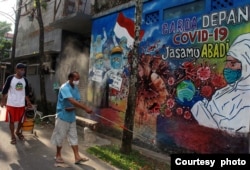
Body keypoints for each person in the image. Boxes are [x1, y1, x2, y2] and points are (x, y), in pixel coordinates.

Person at [191, 33, 250, 135]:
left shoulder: (246, 101)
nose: (226, 68)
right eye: (226, 63)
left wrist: (197, 106)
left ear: (246, 65)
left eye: (232, 64)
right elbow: (212, 110)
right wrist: (200, 101)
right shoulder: (226, 91)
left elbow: (222, 134)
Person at [50, 71, 93, 164]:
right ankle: (58, 155)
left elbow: (77, 100)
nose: (78, 81)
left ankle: (77, 157)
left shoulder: (75, 88)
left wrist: (75, 107)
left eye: (78, 79)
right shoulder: (64, 87)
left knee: (74, 136)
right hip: (62, 116)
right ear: (70, 78)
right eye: (76, 79)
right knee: (60, 137)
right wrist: (85, 108)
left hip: (71, 116)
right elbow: (71, 100)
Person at [0, 63, 32, 144]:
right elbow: (5, 90)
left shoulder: (25, 80)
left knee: (21, 121)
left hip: (21, 104)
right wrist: (3, 101)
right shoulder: (10, 78)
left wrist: (28, 101)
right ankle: (12, 136)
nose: (23, 71)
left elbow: (26, 92)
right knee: (12, 121)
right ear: (16, 70)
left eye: (24, 70)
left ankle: (18, 132)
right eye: (21, 69)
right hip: (11, 104)